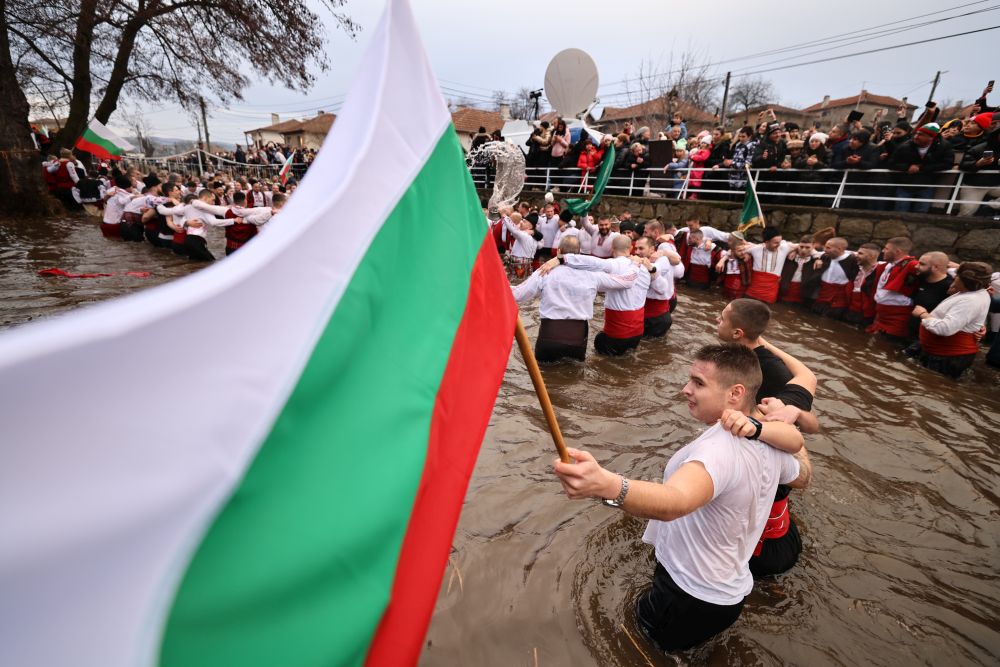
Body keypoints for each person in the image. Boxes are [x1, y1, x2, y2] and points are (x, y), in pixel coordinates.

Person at [553, 344, 807, 652]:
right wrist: (782, 428)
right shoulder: (764, 437)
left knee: (635, 648)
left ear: (735, 394)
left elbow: (676, 500)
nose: (685, 389)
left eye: (699, 383)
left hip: (689, 594)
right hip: (726, 591)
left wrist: (606, 485)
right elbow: (803, 475)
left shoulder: (721, 449)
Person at [511, 236, 636, 362]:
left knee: (545, 377)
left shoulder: (545, 271)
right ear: (579, 253)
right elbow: (626, 282)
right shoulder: (593, 276)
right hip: (577, 341)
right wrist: (635, 265)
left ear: (558, 251)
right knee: (575, 377)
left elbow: (518, 294)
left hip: (549, 338)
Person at [547, 236, 651, 356]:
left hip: (616, 334)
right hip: (638, 333)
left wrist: (561, 258)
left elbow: (591, 262)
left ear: (612, 248)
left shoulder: (614, 264)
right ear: (631, 248)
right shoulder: (645, 267)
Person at [911, 262, 993, 377]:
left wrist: (923, 314)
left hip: (947, 357)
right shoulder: (975, 292)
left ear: (966, 281)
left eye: (958, 276)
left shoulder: (970, 301)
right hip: (939, 352)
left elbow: (945, 329)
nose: (954, 277)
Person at [868, 237, 920, 339]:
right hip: (881, 314)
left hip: (897, 316)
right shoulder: (888, 265)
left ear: (897, 251)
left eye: (886, 249)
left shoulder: (912, 265)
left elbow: (936, 268)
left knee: (888, 346)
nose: (883, 251)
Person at [635, 236, 683, 337]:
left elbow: (661, 289)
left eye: (641, 248)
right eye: (636, 248)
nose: (637, 252)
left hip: (657, 317)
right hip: (644, 313)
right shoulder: (642, 261)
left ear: (652, 249)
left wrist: (650, 269)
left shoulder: (663, 261)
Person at [907, 251, 954, 341]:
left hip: (930, 337)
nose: (916, 266)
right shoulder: (921, 278)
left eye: (922, 264)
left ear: (936, 267)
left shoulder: (950, 287)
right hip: (912, 332)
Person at [745, 227, 796, 304]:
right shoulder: (755, 249)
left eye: (780, 242)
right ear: (766, 242)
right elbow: (737, 249)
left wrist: (795, 251)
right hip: (753, 291)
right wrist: (746, 254)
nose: (779, 245)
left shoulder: (785, 248)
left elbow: (804, 245)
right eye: (776, 243)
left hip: (770, 293)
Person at [811, 237, 858, 319]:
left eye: (828, 248)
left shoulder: (852, 260)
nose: (825, 250)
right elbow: (812, 251)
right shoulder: (825, 257)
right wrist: (817, 259)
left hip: (837, 301)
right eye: (825, 247)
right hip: (821, 297)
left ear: (839, 249)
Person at [845, 243, 882, 328]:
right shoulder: (856, 267)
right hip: (850, 312)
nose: (857, 255)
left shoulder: (882, 270)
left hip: (867, 316)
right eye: (857, 253)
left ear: (872, 256)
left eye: (861, 253)